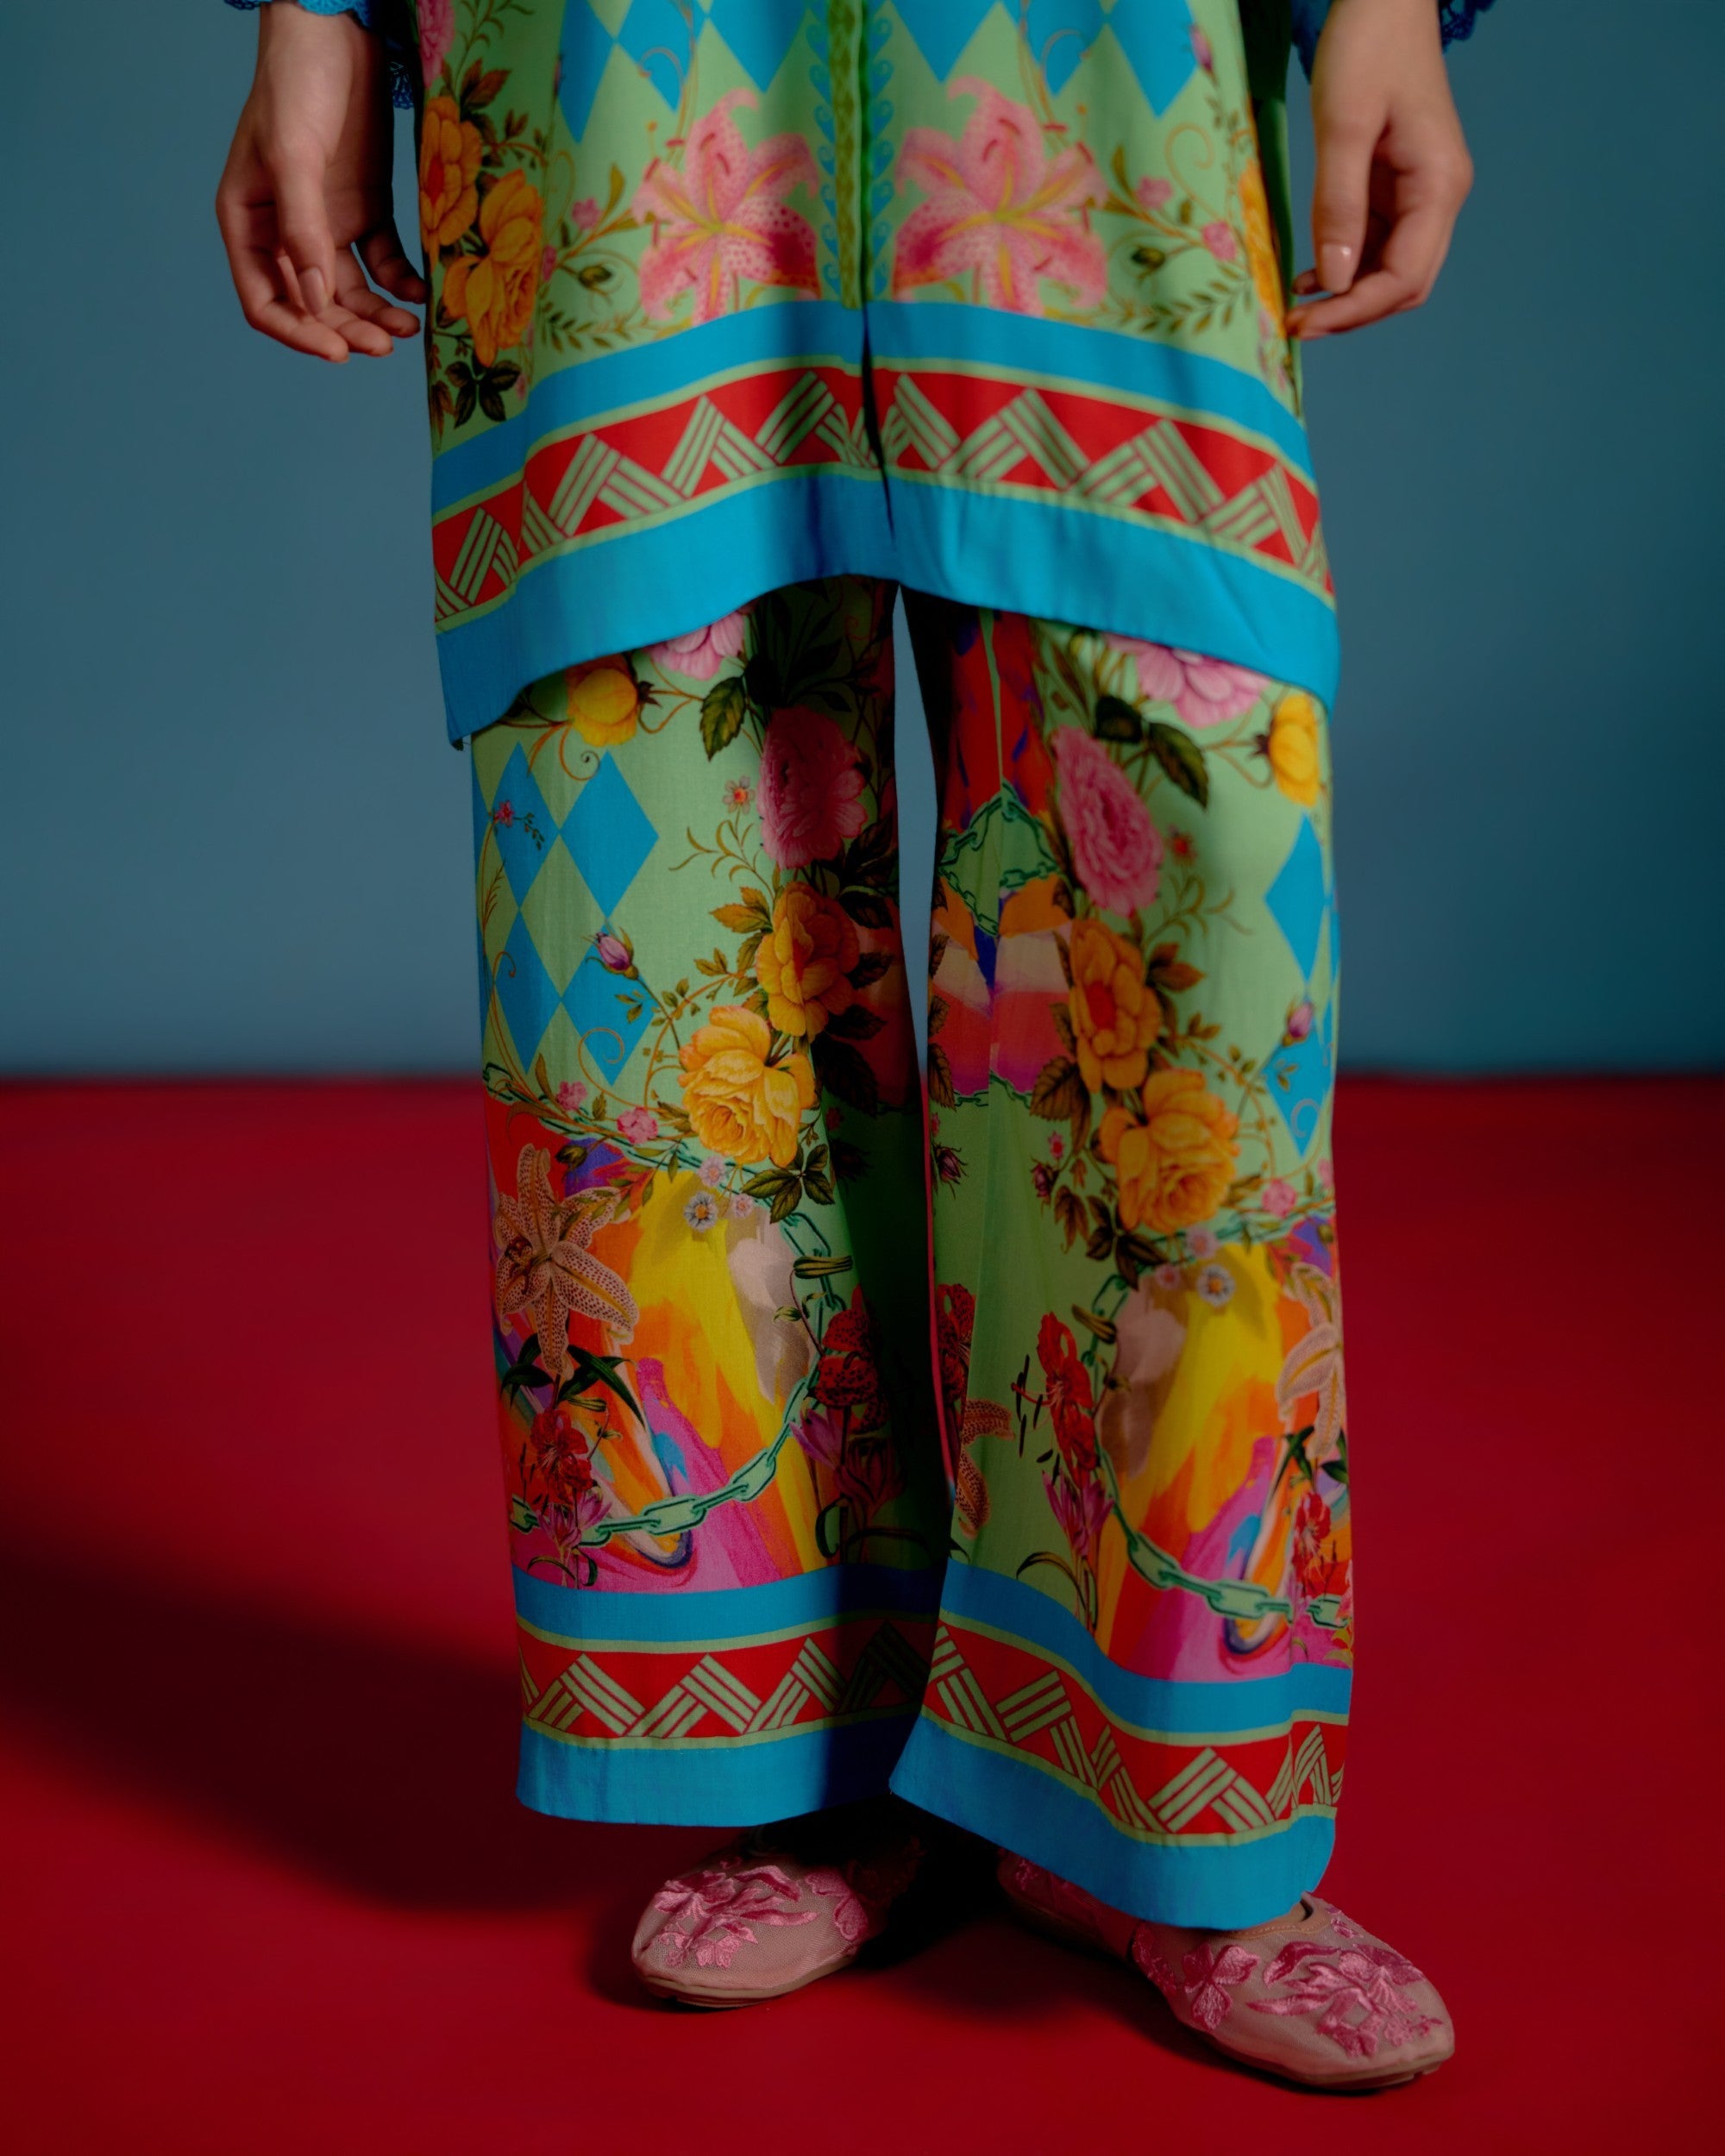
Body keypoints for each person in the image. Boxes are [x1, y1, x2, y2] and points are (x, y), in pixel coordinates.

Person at [217, 0, 1483, 2090]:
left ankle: (1171, 1803)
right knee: (655, 872)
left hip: (1091, 74)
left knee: (1183, 906)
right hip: (621, 65)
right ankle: (815, 1749)